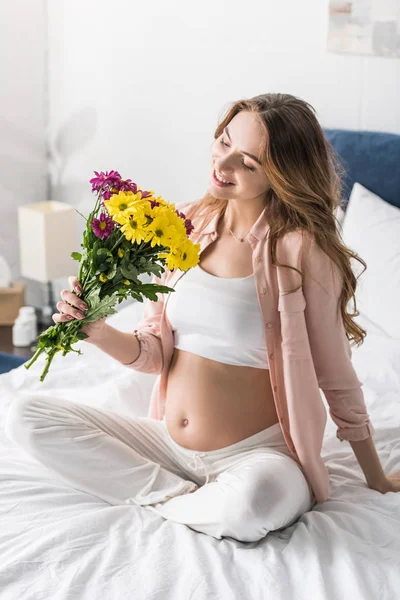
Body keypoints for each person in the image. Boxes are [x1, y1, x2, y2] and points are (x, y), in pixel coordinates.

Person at [5, 93, 379, 543]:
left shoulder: (300, 251)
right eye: (223, 143)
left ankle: (185, 501)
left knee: (255, 503)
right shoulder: (185, 223)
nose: (223, 165)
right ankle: (179, 500)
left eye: (248, 162)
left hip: (258, 457)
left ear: (281, 175)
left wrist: (375, 476)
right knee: (26, 416)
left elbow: (336, 376)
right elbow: (155, 354)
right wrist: (98, 330)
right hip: (168, 449)